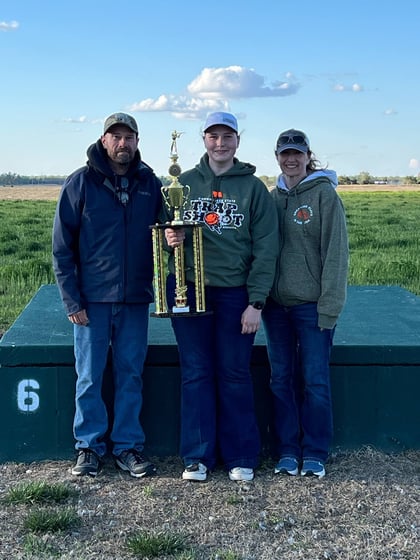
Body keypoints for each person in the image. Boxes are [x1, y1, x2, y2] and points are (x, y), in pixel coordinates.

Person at [164, 111, 279, 482]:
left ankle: (241, 456)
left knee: (234, 373)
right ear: (204, 141)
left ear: (237, 141)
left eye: (227, 136)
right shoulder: (182, 183)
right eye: (213, 136)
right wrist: (170, 239)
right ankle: (197, 457)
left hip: (235, 293)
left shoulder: (253, 189)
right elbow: (162, 236)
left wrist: (256, 301)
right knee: (195, 372)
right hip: (188, 288)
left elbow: (266, 249)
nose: (220, 143)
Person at [52, 112, 162, 478]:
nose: (122, 143)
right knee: (90, 376)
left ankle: (128, 446)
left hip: (134, 299)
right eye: (115, 137)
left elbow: (163, 234)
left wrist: (171, 238)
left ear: (137, 141)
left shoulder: (150, 183)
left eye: (129, 137)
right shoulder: (80, 183)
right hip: (92, 301)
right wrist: (72, 300)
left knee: (131, 373)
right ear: (104, 141)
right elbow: (62, 249)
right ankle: (88, 447)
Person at [262, 129, 349, 478]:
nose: (291, 159)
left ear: (308, 155)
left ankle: (315, 451)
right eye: (285, 154)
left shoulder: (324, 196)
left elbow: (336, 255)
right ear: (277, 156)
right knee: (281, 378)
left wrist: (330, 306)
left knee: (314, 379)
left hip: (312, 307)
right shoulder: (271, 198)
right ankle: (287, 449)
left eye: (297, 153)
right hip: (275, 308)